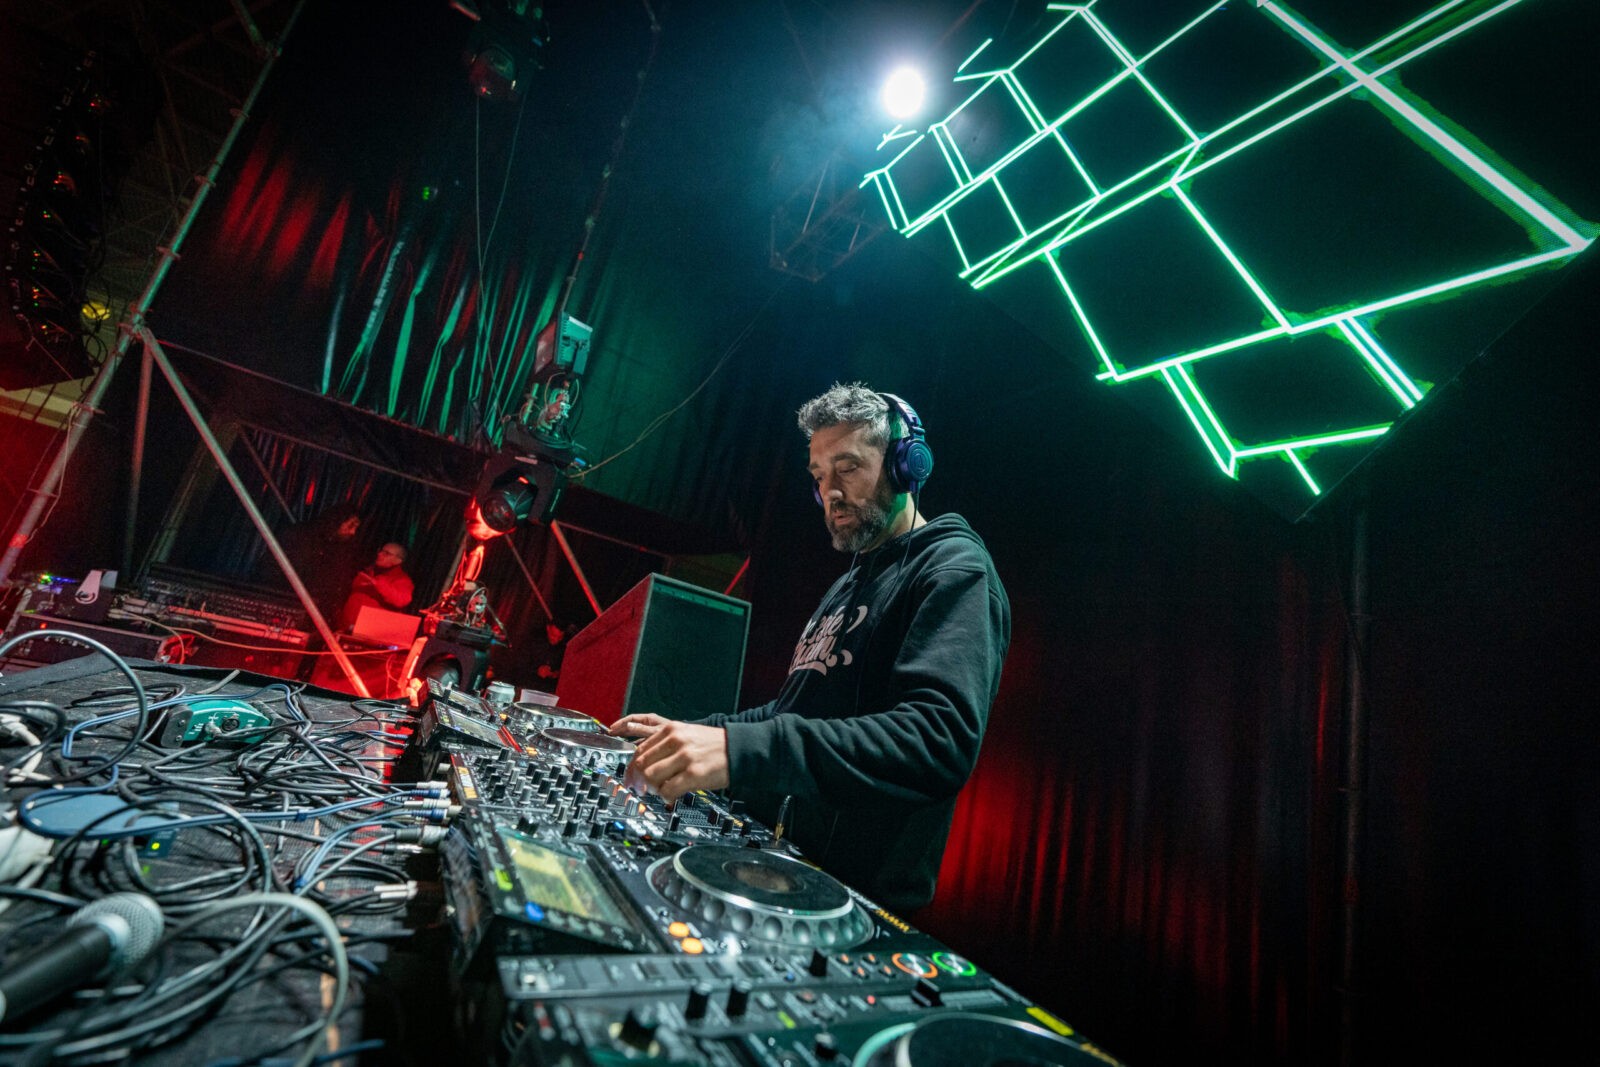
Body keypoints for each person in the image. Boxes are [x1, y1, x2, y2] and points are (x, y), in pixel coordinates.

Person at [612, 384, 1010, 913]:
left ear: (905, 466)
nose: (830, 493)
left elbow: (936, 740)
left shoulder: (954, 571)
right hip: (789, 869)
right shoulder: (846, 586)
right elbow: (792, 712)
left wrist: (739, 750)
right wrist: (695, 733)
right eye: (819, 476)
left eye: (848, 468)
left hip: (855, 904)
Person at [337, 542, 415, 630]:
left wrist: (378, 584)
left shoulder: (402, 580)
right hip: (347, 626)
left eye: (387, 553)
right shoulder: (368, 571)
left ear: (398, 561)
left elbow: (401, 600)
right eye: (381, 551)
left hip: (369, 631)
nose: (379, 554)